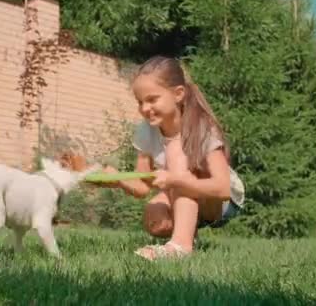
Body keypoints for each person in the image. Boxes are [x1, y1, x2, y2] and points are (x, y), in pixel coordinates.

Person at [97, 56, 245, 261]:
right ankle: (187, 235)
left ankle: (180, 247)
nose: (144, 108)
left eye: (152, 99)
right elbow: (143, 185)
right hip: (184, 193)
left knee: (176, 150)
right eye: (140, 102)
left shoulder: (200, 128)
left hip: (223, 203)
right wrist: (118, 179)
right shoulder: (146, 130)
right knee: (155, 220)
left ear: (178, 94)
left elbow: (223, 188)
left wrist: (175, 180)